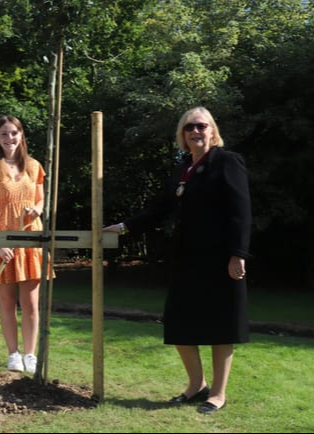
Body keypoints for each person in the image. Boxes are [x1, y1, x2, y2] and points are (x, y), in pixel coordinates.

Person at [104, 106, 252, 415]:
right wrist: (125, 226)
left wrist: (238, 254)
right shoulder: (182, 167)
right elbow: (160, 209)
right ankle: (196, 386)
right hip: (187, 258)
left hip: (220, 258)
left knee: (220, 325)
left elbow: (241, 212)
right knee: (179, 322)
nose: (196, 132)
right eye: (189, 128)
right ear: (182, 135)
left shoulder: (227, 162)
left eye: (201, 126)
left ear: (213, 130)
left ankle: (218, 394)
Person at [0, 115, 49, 375]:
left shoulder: (34, 166)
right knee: (7, 302)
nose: (9, 139)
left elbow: (41, 201)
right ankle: (13, 354)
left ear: (21, 135)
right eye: (4, 135)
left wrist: (36, 210)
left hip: (30, 239)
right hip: (2, 240)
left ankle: (30, 354)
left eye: (13, 133)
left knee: (30, 303)